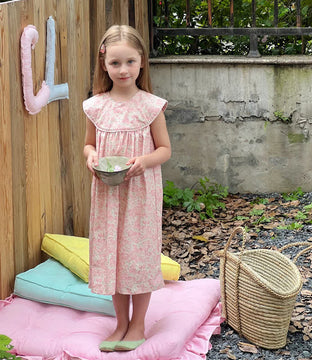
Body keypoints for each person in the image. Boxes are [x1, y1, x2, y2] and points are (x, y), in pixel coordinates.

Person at [83, 24, 171, 352]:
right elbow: (88, 146)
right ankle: (120, 322)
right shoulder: (95, 106)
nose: (123, 70)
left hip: (141, 192)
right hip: (107, 193)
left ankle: (138, 323)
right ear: (104, 64)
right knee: (113, 256)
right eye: (115, 63)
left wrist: (143, 162)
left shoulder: (151, 106)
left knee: (137, 255)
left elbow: (164, 149)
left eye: (130, 62)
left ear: (142, 62)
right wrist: (91, 156)